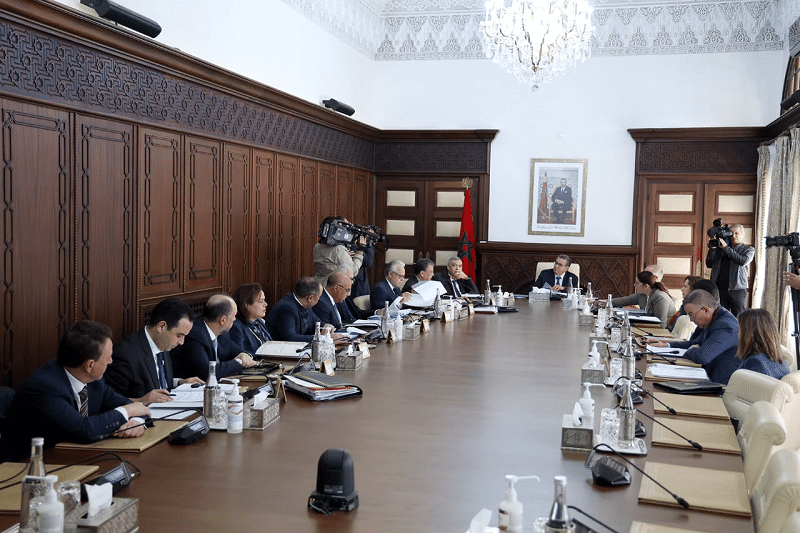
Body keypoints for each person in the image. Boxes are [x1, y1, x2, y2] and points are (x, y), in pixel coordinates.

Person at [1, 321, 151, 459]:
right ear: (90, 365)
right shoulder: (44, 387)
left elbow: (131, 406)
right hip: (28, 465)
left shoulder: (95, 381)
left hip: (72, 456)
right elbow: (83, 430)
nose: (111, 361)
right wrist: (128, 412)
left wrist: (136, 421)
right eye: (108, 357)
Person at [106, 298, 202, 404]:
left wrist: (179, 383)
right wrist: (141, 401)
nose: (181, 342)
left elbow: (156, 380)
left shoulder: (163, 343)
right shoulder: (126, 354)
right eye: (179, 335)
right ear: (161, 327)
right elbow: (108, 402)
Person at [647, 289, 740, 384]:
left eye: (691, 315)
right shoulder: (714, 317)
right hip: (707, 375)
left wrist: (691, 350)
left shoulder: (726, 326)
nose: (691, 320)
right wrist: (667, 345)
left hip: (720, 383)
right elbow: (696, 342)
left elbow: (703, 357)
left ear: (706, 310)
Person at [171, 294, 257, 381]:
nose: (235, 319)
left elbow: (236, 350)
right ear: (222, 320)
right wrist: (239, 362)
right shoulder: (195, 335)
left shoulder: (222, 333)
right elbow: (207, 372)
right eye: (234, 316)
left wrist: (243, 355)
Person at [266, 277, 344, 342]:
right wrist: (322, 338)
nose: (319, 300)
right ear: (310, 298)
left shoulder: (305, 304)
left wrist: (326, 327)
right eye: (318, 297)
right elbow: (290, 338)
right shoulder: (287, 308)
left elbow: (315, 322)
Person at [706, 223, 754, 316]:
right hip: (719, 289)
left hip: (737, 289)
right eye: (731, 233)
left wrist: (726, 248)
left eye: (737, 233)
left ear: (743, 234)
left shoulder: (748, 249)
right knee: (720, 316)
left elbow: (743, 261)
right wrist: (712, 249)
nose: (734, 236)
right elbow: (709, 264)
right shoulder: (720, 250)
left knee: (739, 316)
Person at [735, 308, 790, 380]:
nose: (738, 334)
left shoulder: (754, 363)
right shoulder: (784, 363)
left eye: (740, 330)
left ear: (748, 334)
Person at [313, 216, 364, 286]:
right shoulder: (338, 249)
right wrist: (360, 251)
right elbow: (352, 271)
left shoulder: (317, 246)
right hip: (333, 288)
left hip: (319, 286)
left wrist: (345, 254)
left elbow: (330, 260)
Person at [230, 283, 271, 354]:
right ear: (247, 305)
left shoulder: (259, 321)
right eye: (260, 301)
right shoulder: (236, 327)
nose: (265, 304)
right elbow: (241, 354)